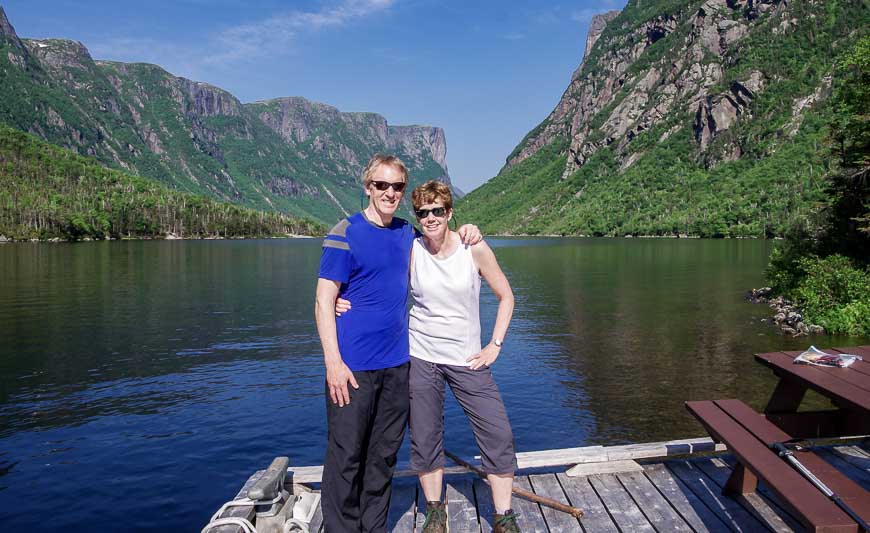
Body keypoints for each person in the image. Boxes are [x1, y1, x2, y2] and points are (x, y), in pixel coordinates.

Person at [336, 180, 519, 533]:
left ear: (450, 212)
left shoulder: (473, 248)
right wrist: (340, 297)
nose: (430, 217)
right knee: (424, 437)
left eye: (438, 210)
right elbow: (376, 276)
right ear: (417, 217)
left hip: (468, 359)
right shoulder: (412, 248)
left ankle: (504, 516)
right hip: (421, 356)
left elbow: (506, 296)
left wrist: (494, 345)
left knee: (497, 433)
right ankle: (436, 510)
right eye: (423, 212)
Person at [314, 155, 480, 533]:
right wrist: (333, 364)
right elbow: (324, 300)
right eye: (381, 185)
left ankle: (373, 528)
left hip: (397, 364)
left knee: (383, 455)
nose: (390, 193)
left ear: (404, 192)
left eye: (397, 187)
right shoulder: (344, 232)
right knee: (346, 456)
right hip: (351, 367)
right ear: (368, 187)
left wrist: (471, 231)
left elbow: (443, 241)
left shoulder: (407, 232)